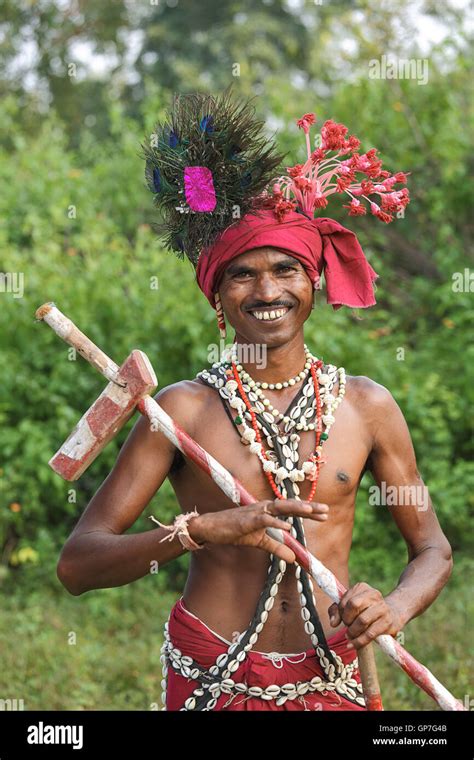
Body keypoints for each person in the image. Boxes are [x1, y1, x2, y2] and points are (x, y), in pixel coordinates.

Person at [56, 92, 453, 711]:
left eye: (285, 270)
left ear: (313, 282)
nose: (267, 290)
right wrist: (199, 531)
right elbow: (78, 564)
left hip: (336, 674)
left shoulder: (368, 406)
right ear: (218, 297)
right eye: (243, 274)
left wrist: (393, 607)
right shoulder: (179, 412)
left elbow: (432, 547)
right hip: (213, 675)